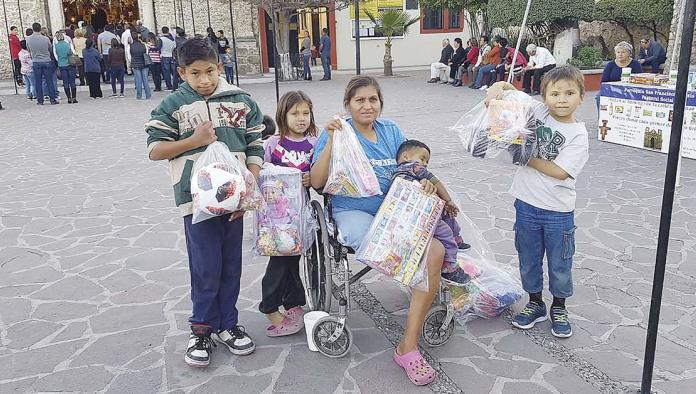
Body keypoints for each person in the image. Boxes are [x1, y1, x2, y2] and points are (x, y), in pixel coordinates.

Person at [310, 75, 446, 386]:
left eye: (373, 99)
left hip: (395, 208)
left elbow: (412, 167)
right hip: (352, 211)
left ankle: (407, 344)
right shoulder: (338, 132)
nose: (367, 105)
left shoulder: (391, 131)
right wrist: (330, 140)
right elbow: (317, 182)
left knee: (436, 251)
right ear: (348, 105)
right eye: (360, 100)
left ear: (380, 103)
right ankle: (417, 297)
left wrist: (424, 181)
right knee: (405, 253)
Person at [145, 37, 264, 367]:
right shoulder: (173, 106)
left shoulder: (241, 101)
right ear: (182, 72)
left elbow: (255, 143)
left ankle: (228, 324)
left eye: (210, 71)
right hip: (195, 203)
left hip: (235, 200)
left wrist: (249, 178)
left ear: (220, 67)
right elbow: (155, 150)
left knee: (231, 264)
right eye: (195, 73)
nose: (205, 80)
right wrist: (193, 141)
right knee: (206, 266)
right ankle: (201, 328)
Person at [485, 65, 589, 339]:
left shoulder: (578, 134)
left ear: (581, 96)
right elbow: (506, 90)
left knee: (559, 263)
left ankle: (559, 306)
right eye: (554, 93)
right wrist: (495, 93)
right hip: (526, 205)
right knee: (528, 259)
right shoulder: (537, 111)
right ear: (543, 97)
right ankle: (535, 302)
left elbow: (560, 171)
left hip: (558, 211)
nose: (561, 99)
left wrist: (523, 157)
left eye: (569, 93)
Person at [259, 90, 318, 336]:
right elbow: (260, 174)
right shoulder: (272, 144)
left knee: (294, 259)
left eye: (305, 113)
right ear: (283, 115)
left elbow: (321, 174)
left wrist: (311, 177)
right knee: (279, 261)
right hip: (276, 218)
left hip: (300, 214)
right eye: (295, 113)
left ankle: (293, 302)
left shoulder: (315, 143)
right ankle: (270, 306)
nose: (301, 118)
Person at [393, 139, 472, 285]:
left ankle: (456, 240)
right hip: (421, 216)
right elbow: (436, 181)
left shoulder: (396, 174)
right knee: (446, 231)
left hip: (421, 211)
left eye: (427, 161)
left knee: (447, 215)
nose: (425, 164)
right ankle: (450, 268)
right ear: (405, 157)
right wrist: (448, 200)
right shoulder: (413, 167)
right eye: (423, 158)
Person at [596, 41, 642, 110]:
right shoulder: (610, 65)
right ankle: (602, 118)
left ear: (629, 53)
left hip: (629, 90)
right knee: (599, 96)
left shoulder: (635, 64)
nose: (620, 54)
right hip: (612, 89)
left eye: (623, 52)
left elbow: (639, 79)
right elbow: (603, 81)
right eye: (618, 52)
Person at [26, 22, 58, 105]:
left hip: (36, 61)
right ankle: (52, 99)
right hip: (46, 60)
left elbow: (28, 49)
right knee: (49, 80)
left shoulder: (28, 39)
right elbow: (50, 49)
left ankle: (40, 100)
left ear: (33, 29)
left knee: (38, 81)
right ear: (40, 29)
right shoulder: (45, 39)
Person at [53, 31, 79, 104]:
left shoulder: (56, 46)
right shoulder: (68, 44)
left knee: (65, 82)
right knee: (72, 81)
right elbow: (72, 53)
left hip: (61, 65)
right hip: (70, 64)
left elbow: (56, 56)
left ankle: (69, 98)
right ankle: (74, 98)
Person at [130, 32, 152, 100]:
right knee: (145, 80)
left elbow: (129, 56)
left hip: (135, 63)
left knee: (138, 80)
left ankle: (139, 95)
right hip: (144, 63)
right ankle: (148, 95)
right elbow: (147, 53)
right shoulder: (144, 45)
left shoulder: (130, 46)